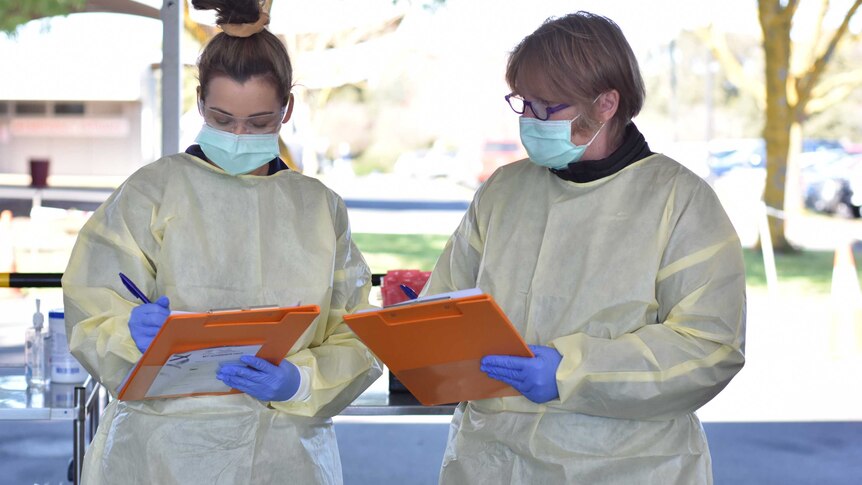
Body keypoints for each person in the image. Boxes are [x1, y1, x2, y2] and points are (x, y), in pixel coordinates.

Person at [61, 1, 381, 483]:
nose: (237, 135)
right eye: (222, 117)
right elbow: (93, 306)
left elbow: (355, 331)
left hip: (284, 454)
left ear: (287, 108)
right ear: (199, 101)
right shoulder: (154, 191)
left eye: (258, 123)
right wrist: (129, 330)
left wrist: (301, 382)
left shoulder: (319, 208)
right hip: (161, 454)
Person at [423, 11, 746, 484]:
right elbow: (446, 300)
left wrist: (573, 370)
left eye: (547, 107)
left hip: (625, 467)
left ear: (606, 104)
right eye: (523, 103)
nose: (531, 120)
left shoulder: (680, 201)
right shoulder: (504, 190)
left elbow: (709, 348)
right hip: (490, 461)